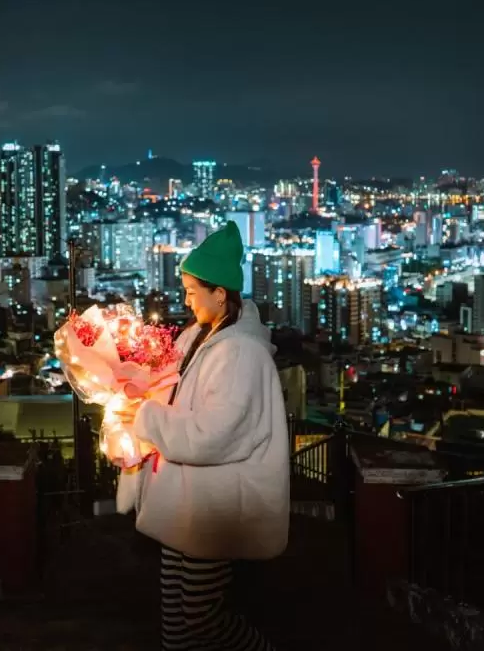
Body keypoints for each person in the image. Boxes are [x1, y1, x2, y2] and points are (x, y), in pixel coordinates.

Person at [120, 220, 289, 650]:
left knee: (200, 619)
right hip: (185, 503)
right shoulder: (198, 337)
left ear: (221, 293)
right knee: (176, 614)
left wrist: (145, 416)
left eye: (193, 291)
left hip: (212, 507)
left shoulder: (240, 354)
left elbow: (213, 436)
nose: (186, 298)